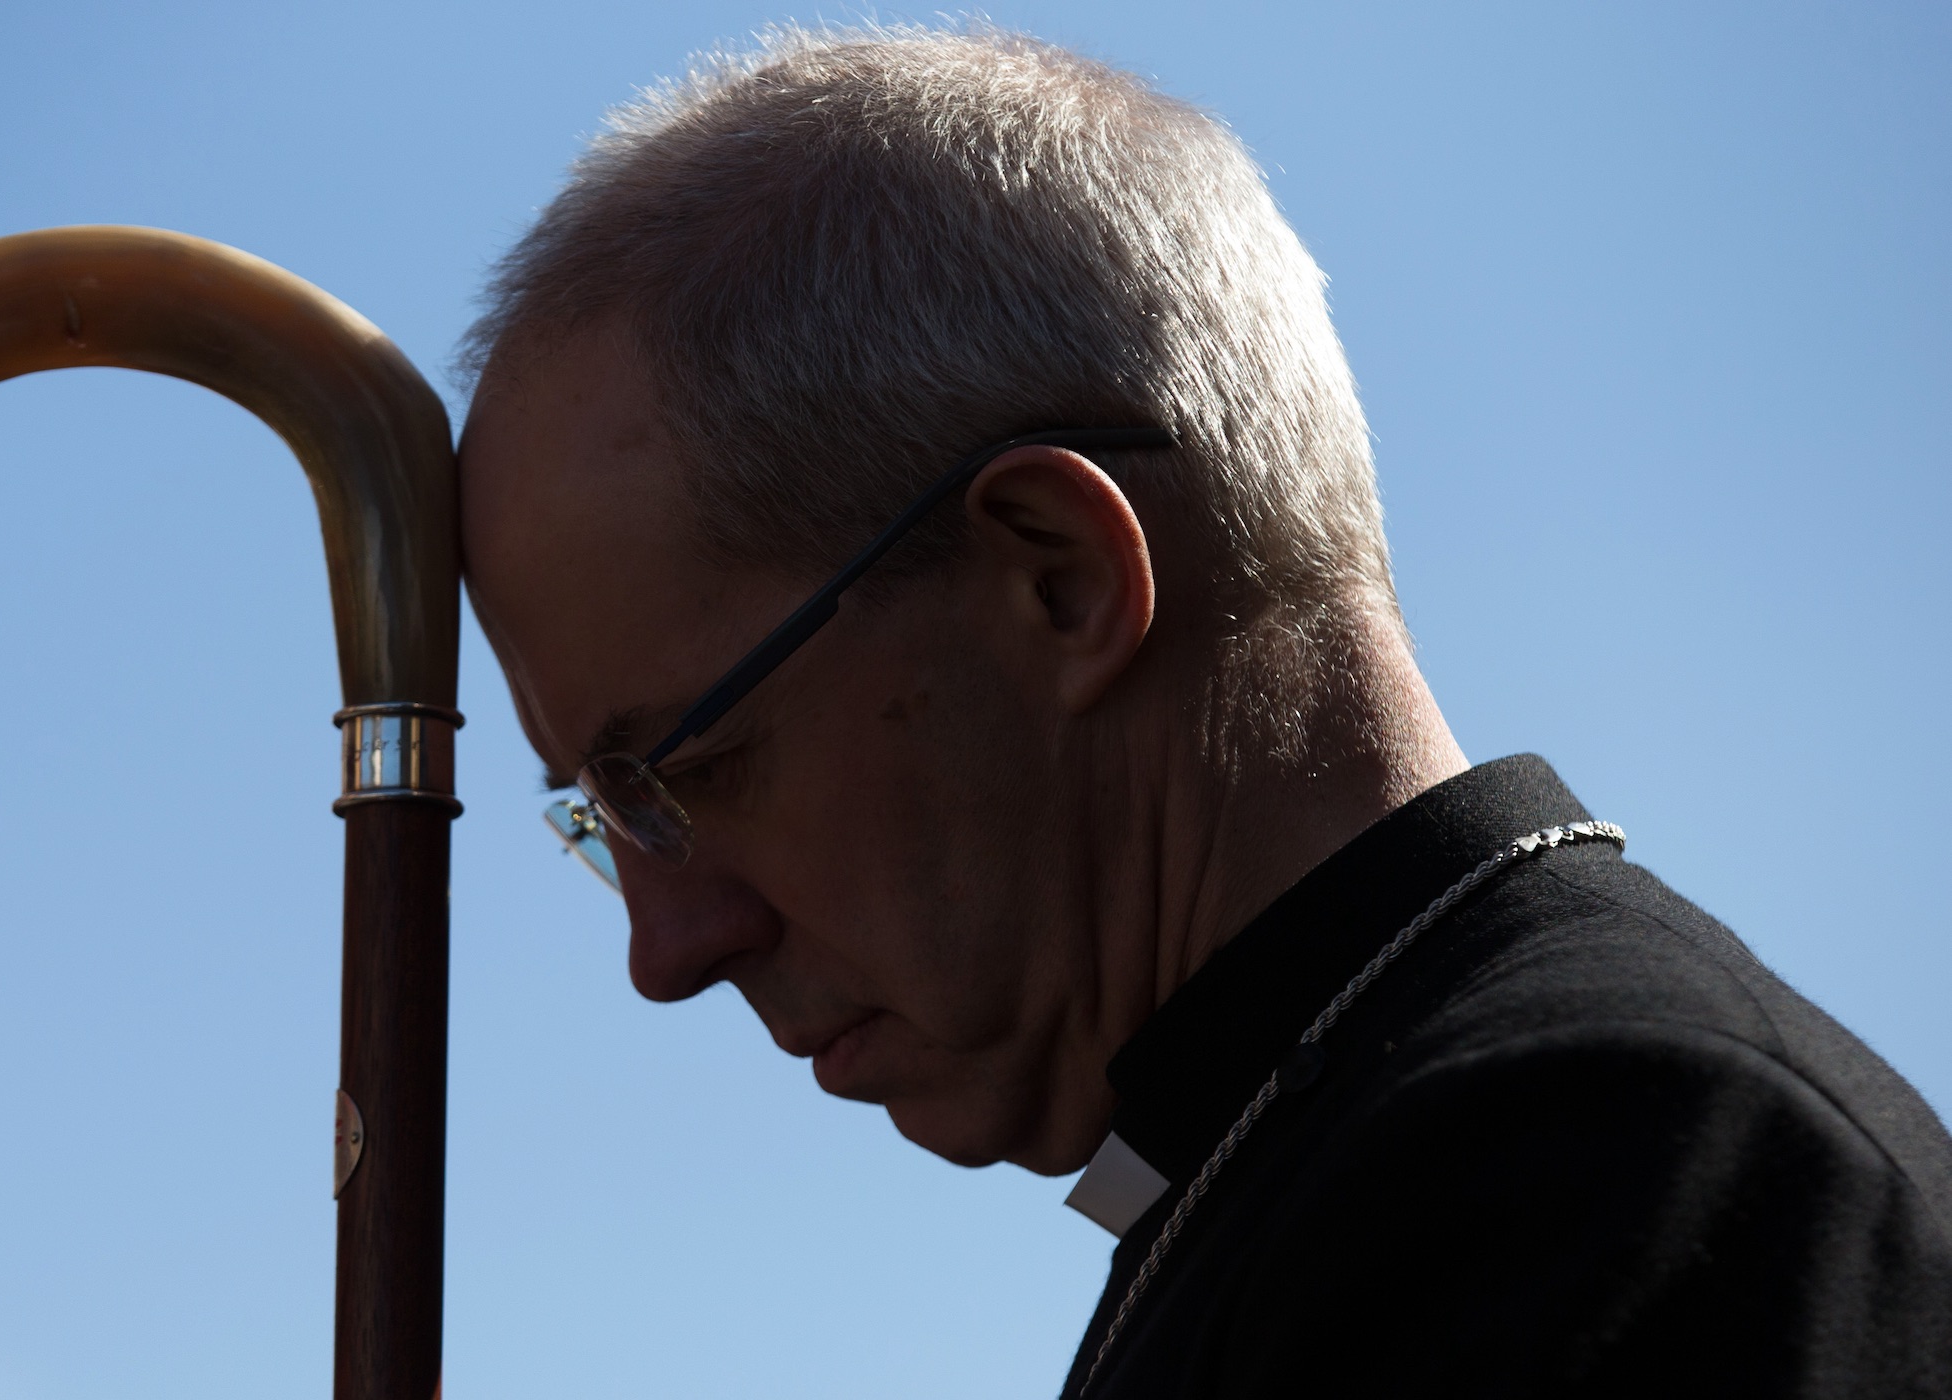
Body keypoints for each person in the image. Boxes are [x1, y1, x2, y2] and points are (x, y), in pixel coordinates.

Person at [455, 23, 1952, 1397]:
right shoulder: (1330, 1159)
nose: (669, 952)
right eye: (606, 820)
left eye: (690, 770)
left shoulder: (1597, 1176)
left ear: (1058, 580)